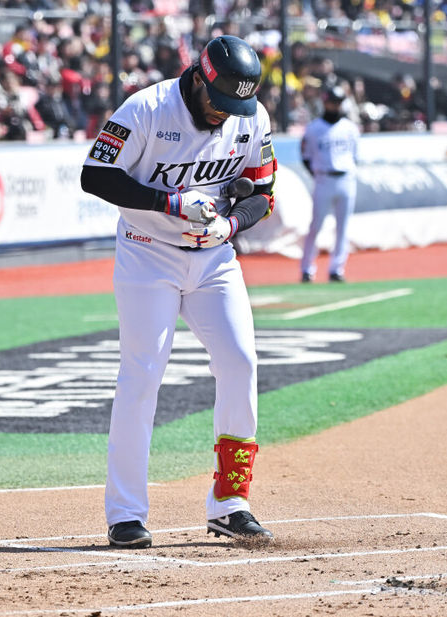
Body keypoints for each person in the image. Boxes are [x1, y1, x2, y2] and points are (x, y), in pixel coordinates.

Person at [79, 35, 277, 548]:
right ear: (197, 79)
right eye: (221, 103)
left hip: (213, 256)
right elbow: (96, 176)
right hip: (148, 253)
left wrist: (230, 226)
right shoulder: (146, 108)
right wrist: (169, 203)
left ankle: (231, 503)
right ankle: (125, 513)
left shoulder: (250, 117)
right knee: (143, 375)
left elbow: (263, 193)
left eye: (238, 105)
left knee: (240, 363)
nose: (225, 115)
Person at [299, 85, 361, 283]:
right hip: (324, 178)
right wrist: (317, 173)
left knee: (343, 227)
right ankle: (307, 268)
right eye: (333, 102)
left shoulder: (350, 128)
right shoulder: (314, 128)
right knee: (316, 225)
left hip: (346, 179)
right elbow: (306, 156)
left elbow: (355, 156)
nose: (336, 106)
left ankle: (337, 269)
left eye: (339, 102)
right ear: (325, 102)